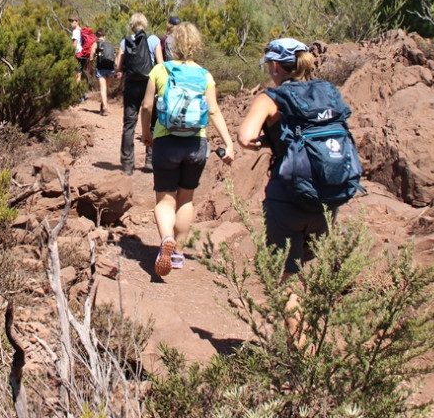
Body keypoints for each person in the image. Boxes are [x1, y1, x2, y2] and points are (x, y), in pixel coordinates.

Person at [237, 37, 344, 276]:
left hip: (288, 195)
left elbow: (246, 138)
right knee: (305, 267)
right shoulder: (327, 93)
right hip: (328, 196)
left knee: (286, 277)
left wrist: (269, 143)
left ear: (276, 66)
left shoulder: (272, 98)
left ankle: (292, 309)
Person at [140, 21, 234, 278]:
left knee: (164, 200)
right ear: (196, 45)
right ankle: (177, 251)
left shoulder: (160, 71)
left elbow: (147, 107)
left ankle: (166, 239)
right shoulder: (205, 75)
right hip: (196, 143)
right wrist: (228, 143)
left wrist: (147, 134)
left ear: (171, 45)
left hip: (166, 141)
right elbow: (213, 110)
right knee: (186, 198)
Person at [114, 13, 163, 175]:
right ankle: (150, 160)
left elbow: (118, 66)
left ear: (132, 25)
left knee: (129, 123)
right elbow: (160, 64)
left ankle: (128, 163)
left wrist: (122, 70)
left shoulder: (125, 41)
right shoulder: (154, 40)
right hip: (150, 83)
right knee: (153, 121)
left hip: (131, 84)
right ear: (145, 24)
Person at [90, 27, 116, 115]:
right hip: (111, 68)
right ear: (104, 36)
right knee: (106, 88)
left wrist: (90, 67)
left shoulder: (95, 43)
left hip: (101, 68)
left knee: (103, 88)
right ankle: (103, 104)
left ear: (96, 36)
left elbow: (91, 55)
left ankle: (104, 107)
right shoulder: (109, 44)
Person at [69, 15, 92, 100]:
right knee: (80, 73)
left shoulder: (75, 31)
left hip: (78, 55)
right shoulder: (82, 30)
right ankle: (83, 93)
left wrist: (71, 54)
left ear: (77, 21)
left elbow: (75, 44)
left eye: (73, 21)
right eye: (70, 21)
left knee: (77, 75)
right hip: (84, 55)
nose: (71, 23)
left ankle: (78, 95)